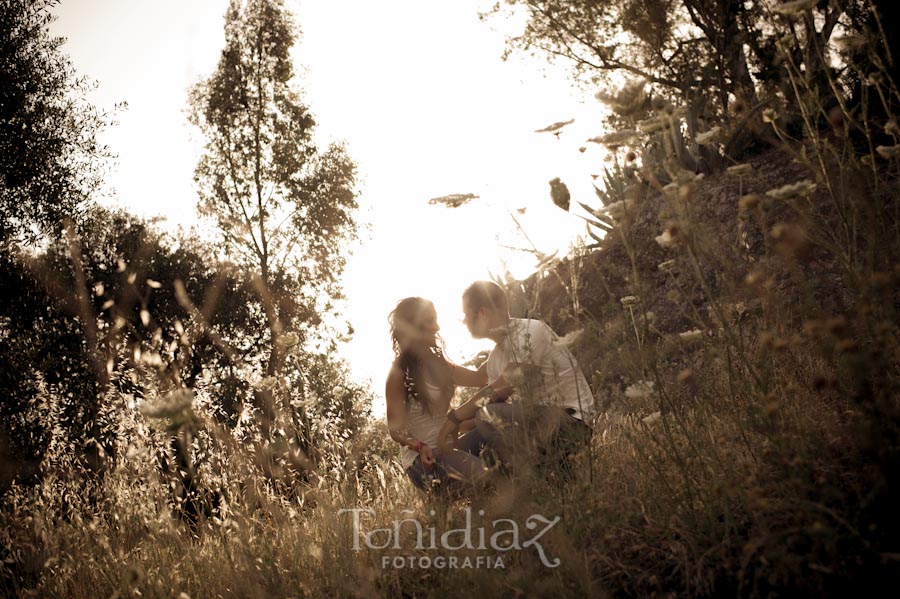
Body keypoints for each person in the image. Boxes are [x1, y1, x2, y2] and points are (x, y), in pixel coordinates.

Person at [438, 281, 594, 475]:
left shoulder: (529, 332)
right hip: (538, 425)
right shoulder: (495, 358)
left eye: (466, 314)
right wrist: (451, 431)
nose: (464, 321)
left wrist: (454, 418)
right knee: (454, 453)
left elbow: (498, 391)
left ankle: (545, 475)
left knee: (487, 415)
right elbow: (497, 406)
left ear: (483, 313)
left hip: (572, 424)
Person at [385, 297, 489, 497]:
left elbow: (480, 378)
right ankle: (444, 497)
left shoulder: (440, 363)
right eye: (430, 321)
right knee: (486, 476)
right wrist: (420, 447)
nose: (437, 327)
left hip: (450, 447)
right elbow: (395, 430)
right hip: (423, 461)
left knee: (498, 431)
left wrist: (504, 344)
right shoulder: (398, 373)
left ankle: (457, 491)